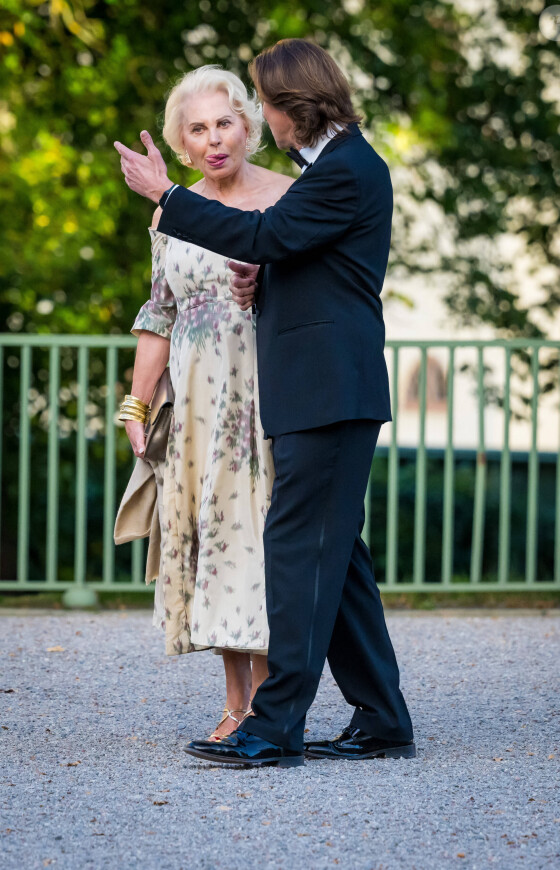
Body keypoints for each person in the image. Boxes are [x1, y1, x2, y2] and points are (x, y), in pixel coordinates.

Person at [115, 38, 415, 768]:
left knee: (293, 548)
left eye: (265, 109)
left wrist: (165, 196)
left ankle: (273, 726)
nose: (263, 122)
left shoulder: (342, 171)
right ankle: (382, 718)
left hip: (326, 389)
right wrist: (265, 285)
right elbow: (303, 261)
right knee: (336, 562)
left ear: (290, 109)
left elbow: (265, 232)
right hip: (323, 387)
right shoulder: (341, 168)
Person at [118, 65, 292, 741]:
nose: (214, 139)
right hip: (193, 406)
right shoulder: (172, 211)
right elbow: (157, 316)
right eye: (198, 129)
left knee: (262, 536)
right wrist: (136, 408)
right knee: (211, 541)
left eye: (225, 122)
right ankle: (236, 700)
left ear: (249, 126)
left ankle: (277, 705)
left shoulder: (287, 197)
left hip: (264, 392)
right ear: (181, 144)